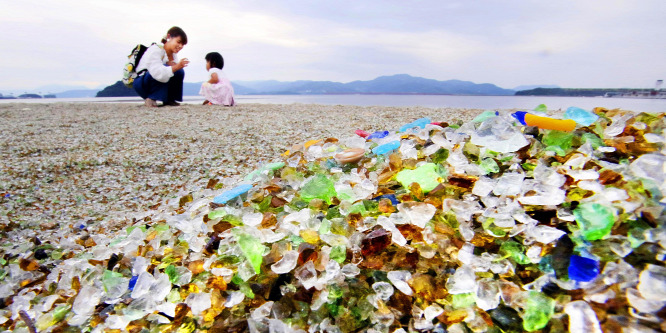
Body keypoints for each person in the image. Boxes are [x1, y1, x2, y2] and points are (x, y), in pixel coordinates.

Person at [134, 26, 190, 107]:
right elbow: (156, 72)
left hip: (155, 79)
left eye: (183, 44)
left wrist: (176, 67)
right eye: (178, 42)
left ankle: (169, 99)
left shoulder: (173, 55)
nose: (181, 46)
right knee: (171, 68)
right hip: (143, 82)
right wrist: (175, 67)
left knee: (179, 71)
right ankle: (151, 98)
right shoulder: (156, 49)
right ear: (168, 37)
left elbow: (172, 73)